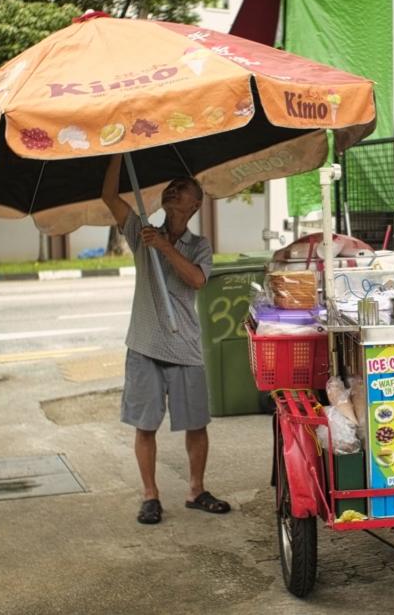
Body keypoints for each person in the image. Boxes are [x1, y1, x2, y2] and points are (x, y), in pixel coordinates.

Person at [101, 154, 230, 525]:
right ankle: (150, 495)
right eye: (171, 188)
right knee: (145, 425)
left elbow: (197, 280)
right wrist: (117, 154)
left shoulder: (199, 245)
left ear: (195, 204)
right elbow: (109, 196)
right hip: (144, 345)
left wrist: (165, 247)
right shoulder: (141, 232)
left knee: (196, 424)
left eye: (182, 190)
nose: (173, 192)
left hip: (184, 346)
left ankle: (196, 490)